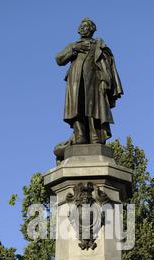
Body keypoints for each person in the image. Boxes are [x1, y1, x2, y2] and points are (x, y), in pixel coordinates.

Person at [54, 18, 123, 159]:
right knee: (76, 108)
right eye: (81, 26)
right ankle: (80, 135)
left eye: (86, 26)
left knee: (93, 107)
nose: (82, 28)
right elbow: (59, 59)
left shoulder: (98, 46)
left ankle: (95, 135)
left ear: (92, 29)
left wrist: (106, 81)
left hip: (94, 81)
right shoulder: (74, 45)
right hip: (75, 81)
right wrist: (74, 50)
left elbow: (106, 65)